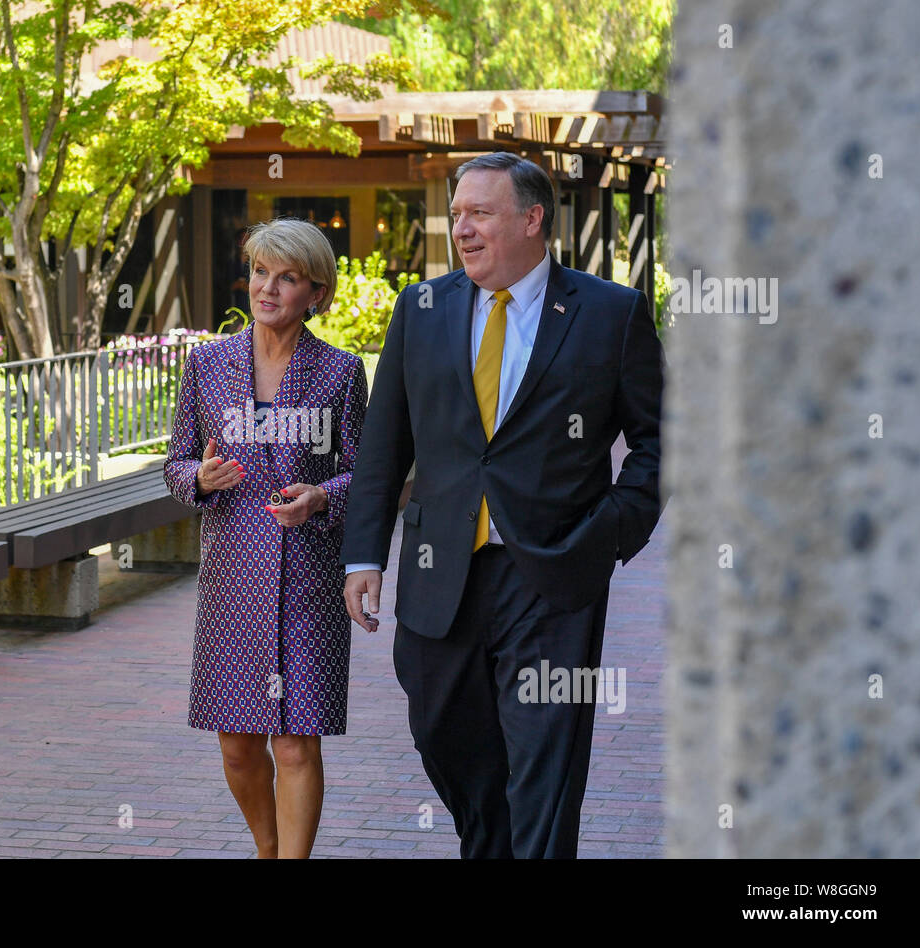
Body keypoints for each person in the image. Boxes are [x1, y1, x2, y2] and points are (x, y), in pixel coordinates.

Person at [341, 152, 665, 858]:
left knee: (544, 769)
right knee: (444, 736)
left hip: (553, 576)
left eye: (480, 213)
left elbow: (658, 442)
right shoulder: (420, 310)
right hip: (439, 574)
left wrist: (610, 532)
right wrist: (365, 554)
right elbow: (382, 447)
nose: (462, 228)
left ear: (531, 219)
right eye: (457, 214)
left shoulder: (609, 314)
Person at [164, 217, 368, 858]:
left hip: (308, 578)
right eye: (259, 272)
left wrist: (321, 497)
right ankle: (267, 848)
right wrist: (198, 474)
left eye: (287, 277)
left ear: (316, 293)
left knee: (295, 741)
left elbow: (365, 474)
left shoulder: (339, 372)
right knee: (238, 742)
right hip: (233, 583)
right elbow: (172, 466)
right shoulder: (208, 365)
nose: (268, 288)